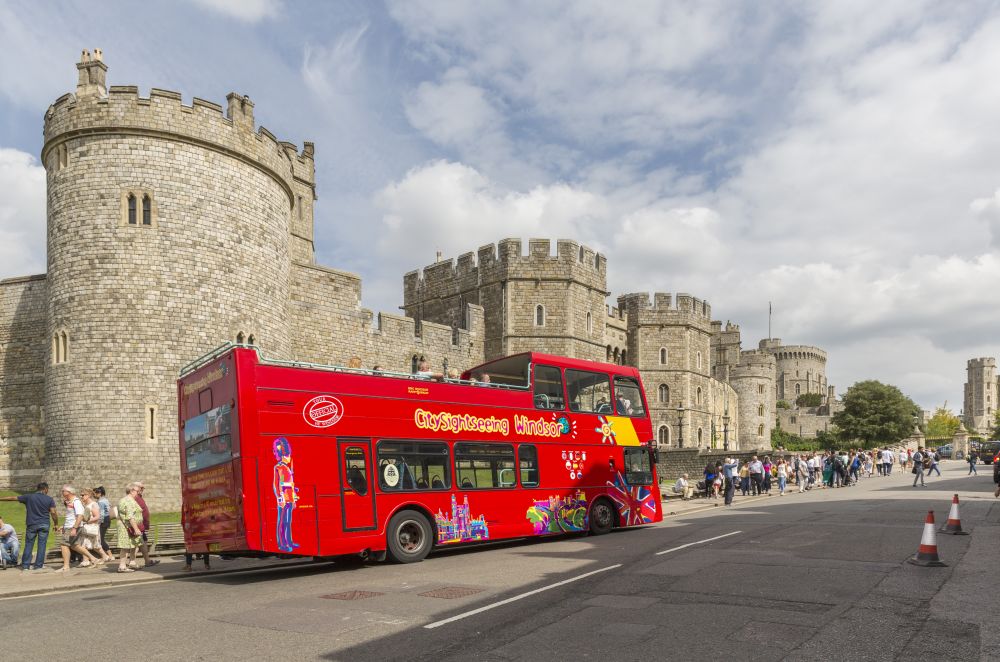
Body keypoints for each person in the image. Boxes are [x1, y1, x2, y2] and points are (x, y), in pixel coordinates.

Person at [0, 482, 58, 571]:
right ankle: (38, 566)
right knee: (42, 545)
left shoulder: (29, 497)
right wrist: (56, 523)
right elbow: (53, 512)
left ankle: (26, 566)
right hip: (44, 524)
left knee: (29, 544)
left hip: (32, 524)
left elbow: (13, 498)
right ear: (45, 489)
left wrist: (1, 498)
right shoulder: (49, 499)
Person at [57, 485, 99, 572]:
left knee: (64, 545)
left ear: (69, 492)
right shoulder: (70, 502)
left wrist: (74, 528)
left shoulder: (76, 502)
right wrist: (64, 526)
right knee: (75, 546)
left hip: (73, 527)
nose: (62, 493)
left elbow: (80, 515)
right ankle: (94, 559)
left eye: (63, 491)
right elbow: (70, 516)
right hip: (70, 526)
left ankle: (66, 567)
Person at [79, 488, 111, 564]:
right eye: (80, 495)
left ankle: (104, 557)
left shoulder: (93, 504)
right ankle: (86, 560)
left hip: (92, 527)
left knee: (95, 545)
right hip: (87, 527)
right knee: (84, 544)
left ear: (89, 495)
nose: (81, 496)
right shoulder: (86, 504)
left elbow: (97, 517)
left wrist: (86, 521)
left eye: (83, 495)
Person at [133, 482, 159, 568]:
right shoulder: (134, 498)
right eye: (141, 488)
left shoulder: (139, 497)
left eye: (143, 488)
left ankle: (144, 561)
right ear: (135, 488)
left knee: (141, 542)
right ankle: (132, 562)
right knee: (138, 543)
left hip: (141, 525)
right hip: (137, 525)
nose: (142, 490)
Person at [95, 486, 112, 555]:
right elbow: (109, 507)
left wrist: (98, 523)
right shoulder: (105, 500)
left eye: (95, 493)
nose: (94, 495)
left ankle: (110, 555)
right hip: (107, 519)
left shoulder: (101, 501)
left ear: (99, 493)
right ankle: (106, 555)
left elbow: (101, 514)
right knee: (100, 538)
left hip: (103, 520)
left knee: (100, 539)